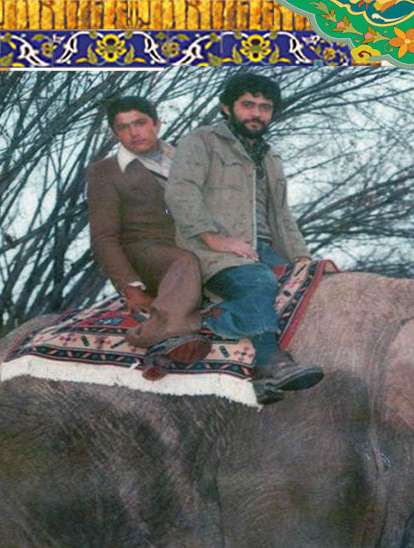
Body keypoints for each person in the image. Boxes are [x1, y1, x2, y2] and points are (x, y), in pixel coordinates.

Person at [166, 73, 323, 399]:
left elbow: (282, 215)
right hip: (210, 251)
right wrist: (214, 238)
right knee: (257, 282)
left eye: (265, 107)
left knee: (315, 286)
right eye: (248, 105)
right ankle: (268, 362)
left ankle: (262, 383)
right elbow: (181, 192)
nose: (256, 113)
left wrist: (302, 258)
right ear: (227, 107)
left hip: (262, 250)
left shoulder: (270, 157)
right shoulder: (202, 141)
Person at [86, 96, 209, 367]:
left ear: (157, 124)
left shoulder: (188, 160)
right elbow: (104, 237)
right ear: (115, 133)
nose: (134, 132)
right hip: (146, 250)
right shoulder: (105, 172)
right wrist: (131, 287)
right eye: (123, 127)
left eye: (140, 123)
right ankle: (166, 335)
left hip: (196, 242)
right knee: (184, 262)